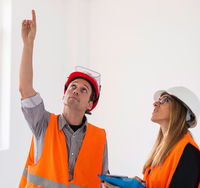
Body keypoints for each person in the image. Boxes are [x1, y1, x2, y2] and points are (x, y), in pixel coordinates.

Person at [19, 10, 109, 188]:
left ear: (90, 104)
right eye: (72, 86)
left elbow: (103, 181)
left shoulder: (99, 137)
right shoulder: (43, 124)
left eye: (84, 90)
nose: (75, 90)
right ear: (64, 94)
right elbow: (25, 89)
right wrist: (28, 44)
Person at [103, 86, 200, 188]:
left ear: (180, 110)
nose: (155, 103)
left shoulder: (189, 151)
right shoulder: (164, 151)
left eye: (165, 100)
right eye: (159, 100)